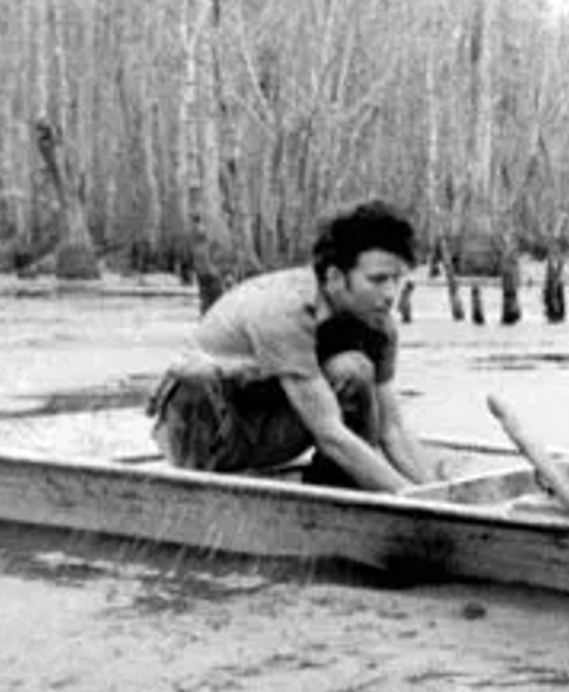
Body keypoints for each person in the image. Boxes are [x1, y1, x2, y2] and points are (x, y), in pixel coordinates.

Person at [148, 199, 435, 493]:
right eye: (377, 280)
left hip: (271, 426)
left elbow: (393, 430)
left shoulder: (377, 322)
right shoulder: (286, 310)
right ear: (335, 277)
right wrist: (409, 497)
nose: (390, 294)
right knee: (199, 377)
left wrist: (440, 492)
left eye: (396, 279)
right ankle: (202, 494)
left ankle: (338, 494)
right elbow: (330, 434)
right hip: (207, 437)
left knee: (354, 370)